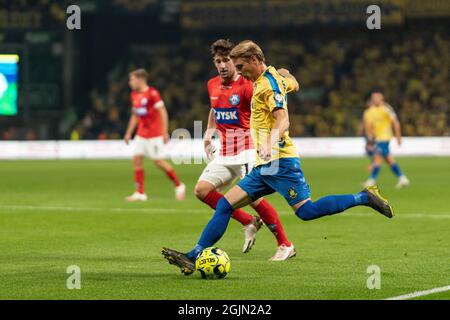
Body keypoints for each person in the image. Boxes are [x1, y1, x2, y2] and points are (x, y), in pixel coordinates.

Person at [162, 41, 393, 275]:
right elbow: (295, 83)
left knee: (306, 211)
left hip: (280, 161)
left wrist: (269, 143)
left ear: (254, 59)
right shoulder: (271, 79)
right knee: (224, 204)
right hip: (265, 165)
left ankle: (363, 197)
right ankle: (192, 256)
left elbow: (283, 119)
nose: (239, 71)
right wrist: (285, 74)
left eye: (241, 66)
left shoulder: (266, 87)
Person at [194, 39, 295, 260]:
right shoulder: (212, 84)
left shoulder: (248, 86)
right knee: (202, 190)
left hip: (248, 149)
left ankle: (285, 244)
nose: (222, 66)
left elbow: (266, 110)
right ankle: (247, 221)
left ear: (235, 61)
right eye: (217, 61)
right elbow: (214, 109)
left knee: (253, 197)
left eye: (226, 61)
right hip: (226, 151)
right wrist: (210, 132)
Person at [124, 69, 185, 202]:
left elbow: (163, 112)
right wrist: (129, 133)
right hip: (141, 134)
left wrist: (164, 131)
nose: (130, 82)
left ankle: (179, 185)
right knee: (137, 160)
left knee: (159, 162)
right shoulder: (134, 94)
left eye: (132, 79)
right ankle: (140, 193)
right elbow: (135, 115)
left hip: (154, 134)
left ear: (140, 79)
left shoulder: (152, 93)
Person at [363, 90, 410, 189]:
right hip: (377, 138)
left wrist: (398, 136)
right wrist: (369, 139)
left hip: (384, 137)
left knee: (378, 157)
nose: (376, 99)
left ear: (381, 98)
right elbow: (368, 127)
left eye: (378, 97)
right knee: (388, 159)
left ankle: (371, 180)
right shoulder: (369, 111)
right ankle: (402, 178)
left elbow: (395, 122)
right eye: (374, 98)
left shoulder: (386, 109)